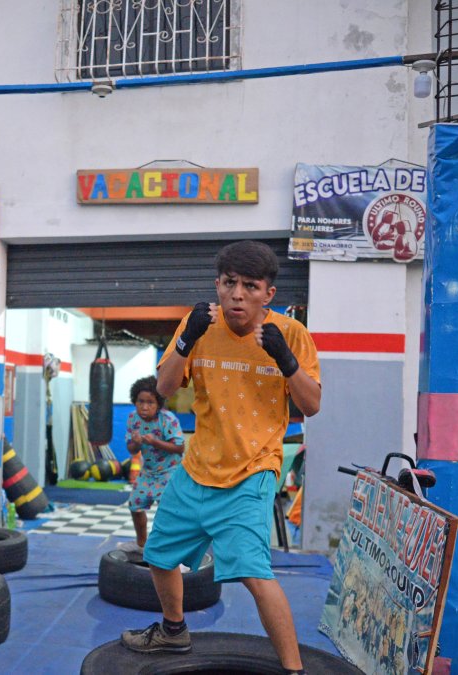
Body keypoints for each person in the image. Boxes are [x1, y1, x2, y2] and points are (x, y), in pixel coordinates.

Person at [120, 240, 321, 675]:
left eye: (251, 286)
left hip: (252, 471)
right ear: (217, 285)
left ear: (268, 294)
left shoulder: (291, 335)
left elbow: (311, 406)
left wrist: (286, 362)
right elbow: (167, 388)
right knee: (157, 555)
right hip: (196, 470)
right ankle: (174, 631)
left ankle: (294, 669)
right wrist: (188, 337)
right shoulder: (198, 327)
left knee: (253, 573)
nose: (237, 294)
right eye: (230, 283)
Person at [116, 376, 185, 555]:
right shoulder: (133, 419)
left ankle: (171, 551)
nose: (144, 407)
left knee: (167, 513)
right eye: (140, 401)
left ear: (159, 404)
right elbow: (131, 450)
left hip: (170, 472)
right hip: (148, 472)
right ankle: (141, 544)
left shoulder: (167, 419)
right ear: (134, 401)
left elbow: (179, 447)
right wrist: (137, 443)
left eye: (150, 402)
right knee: (135, 505)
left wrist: (156, 442)